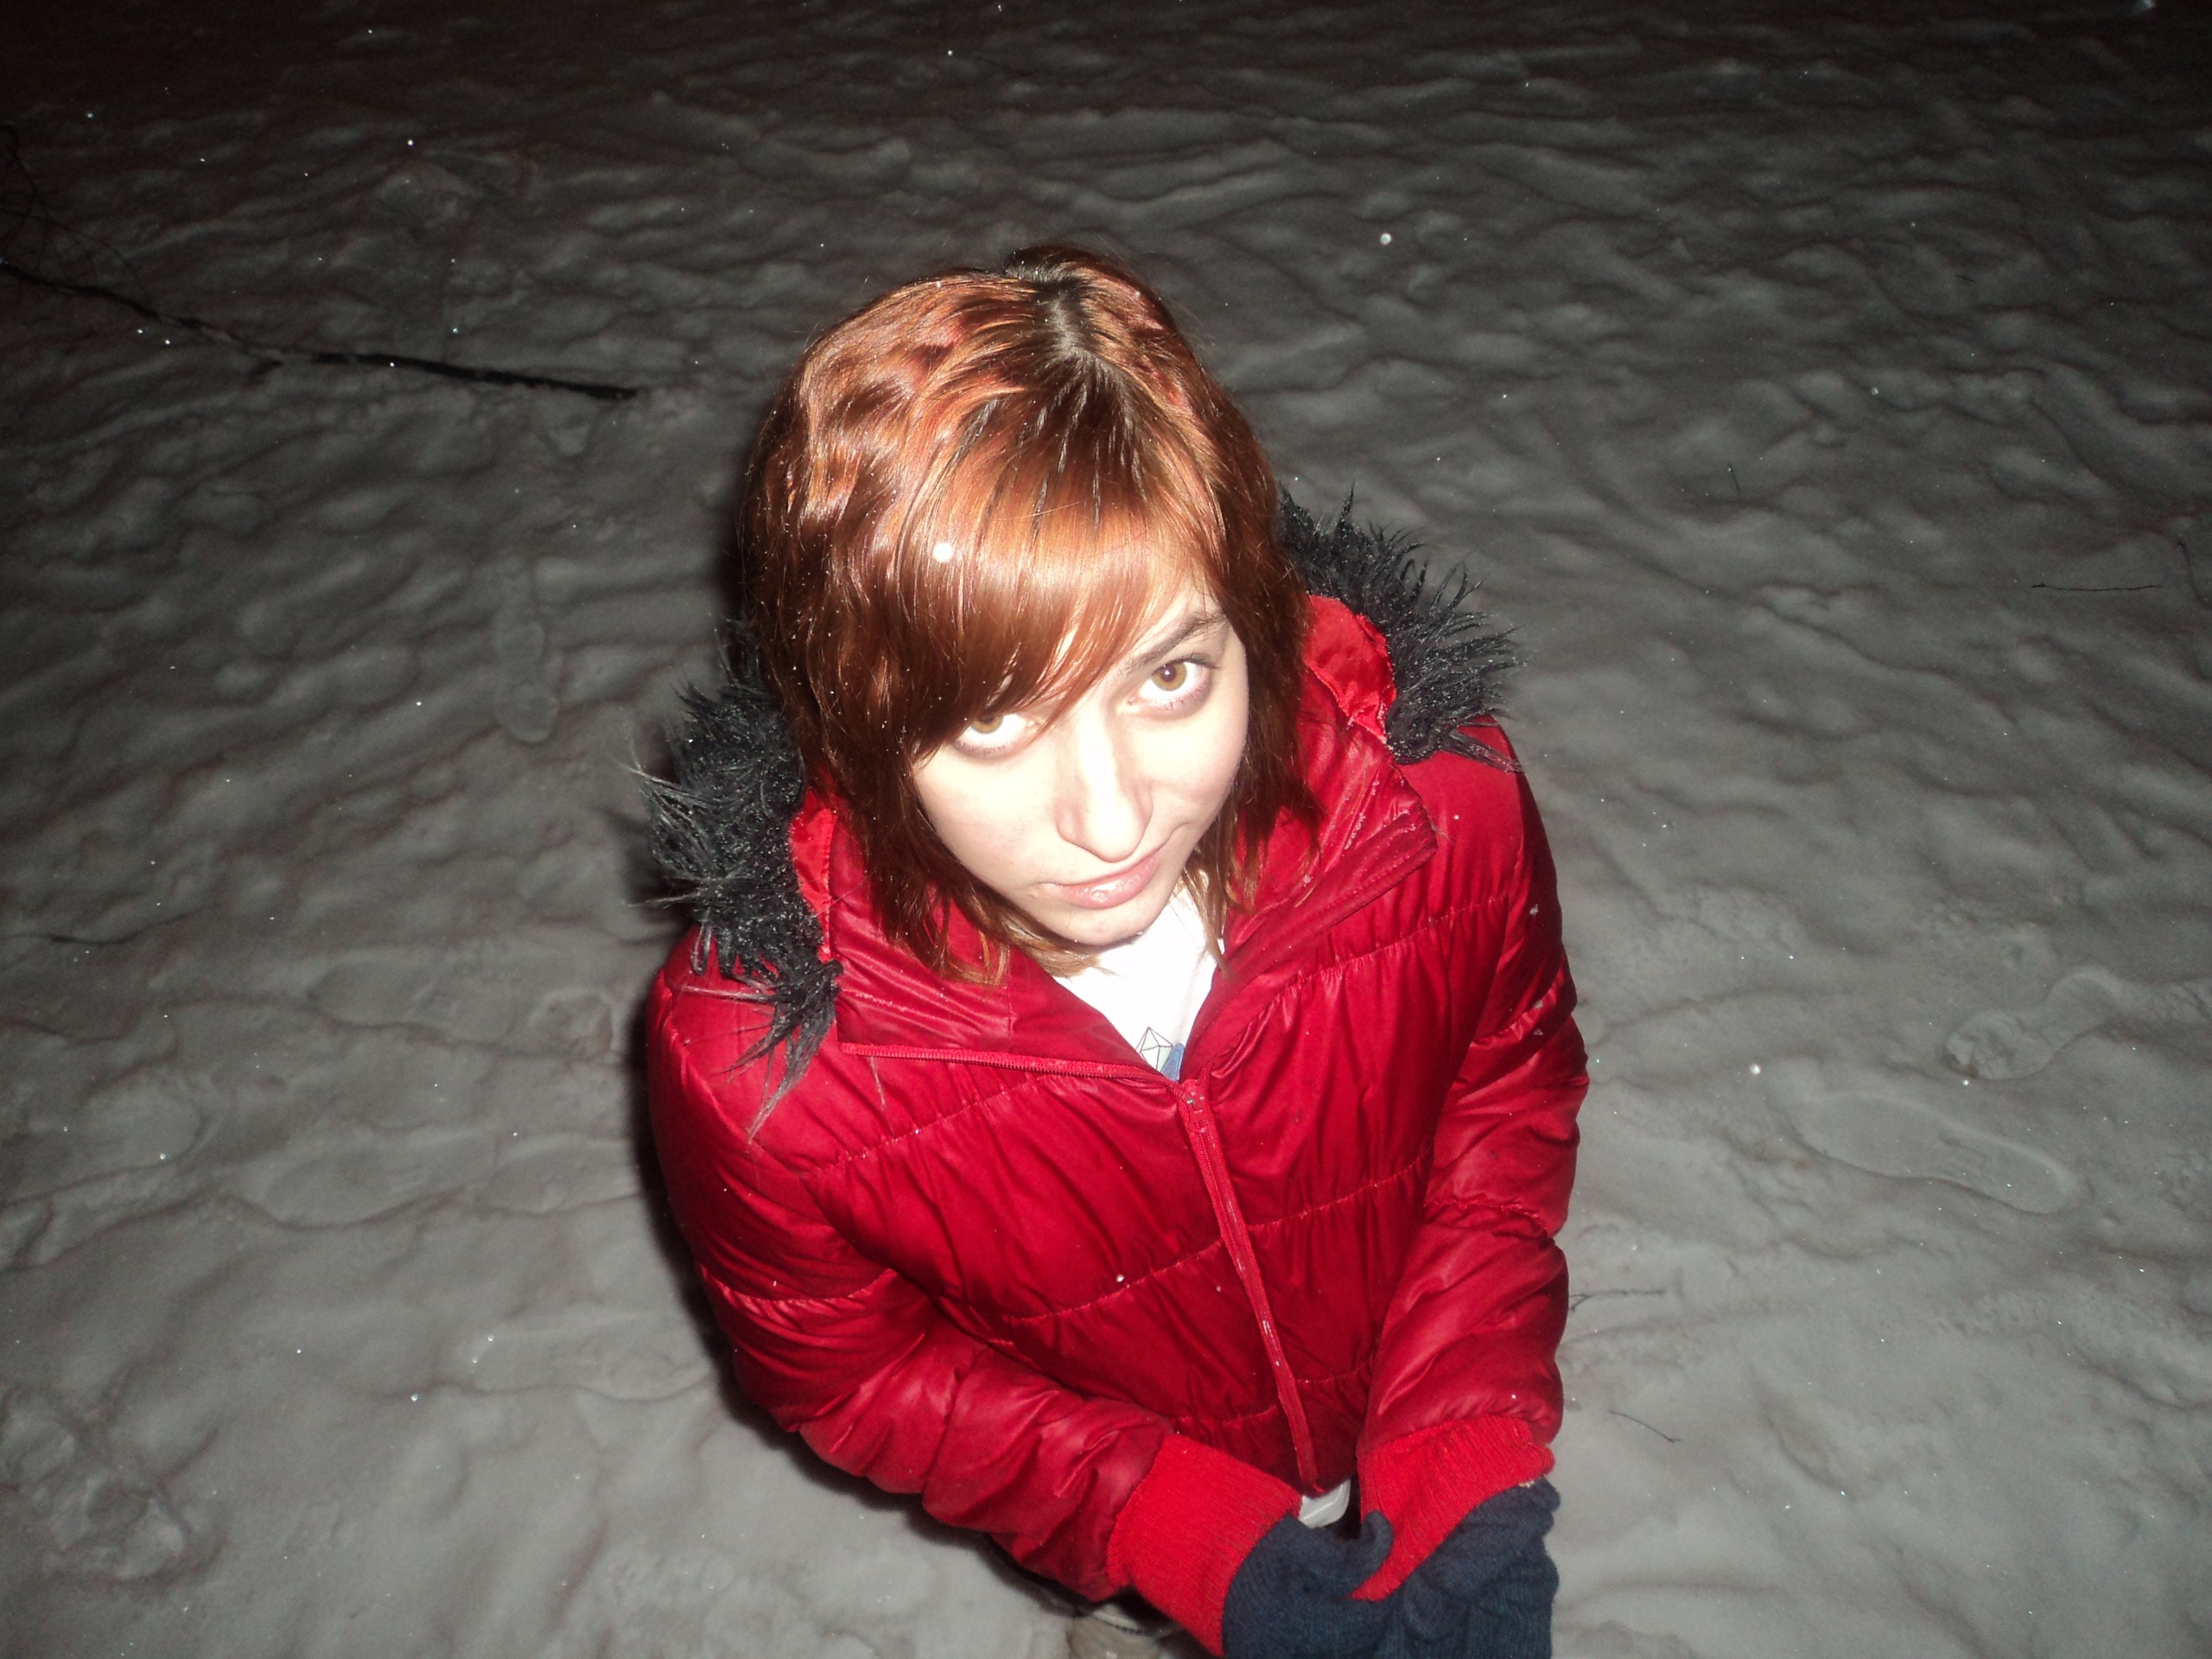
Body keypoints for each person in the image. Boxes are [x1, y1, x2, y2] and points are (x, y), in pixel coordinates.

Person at [644, 245, 1586, 1659]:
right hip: (1122, 1543)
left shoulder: (1441, 815)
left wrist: (1457, 1448)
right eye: (994, 720)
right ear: (855, 723)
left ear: (1252, 618)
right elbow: (849, 1370)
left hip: (1400, 1407)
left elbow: (1502, 1094)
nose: (1111, 817)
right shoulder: (759, 1072)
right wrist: (1162, 1525)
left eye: (1171, 674)